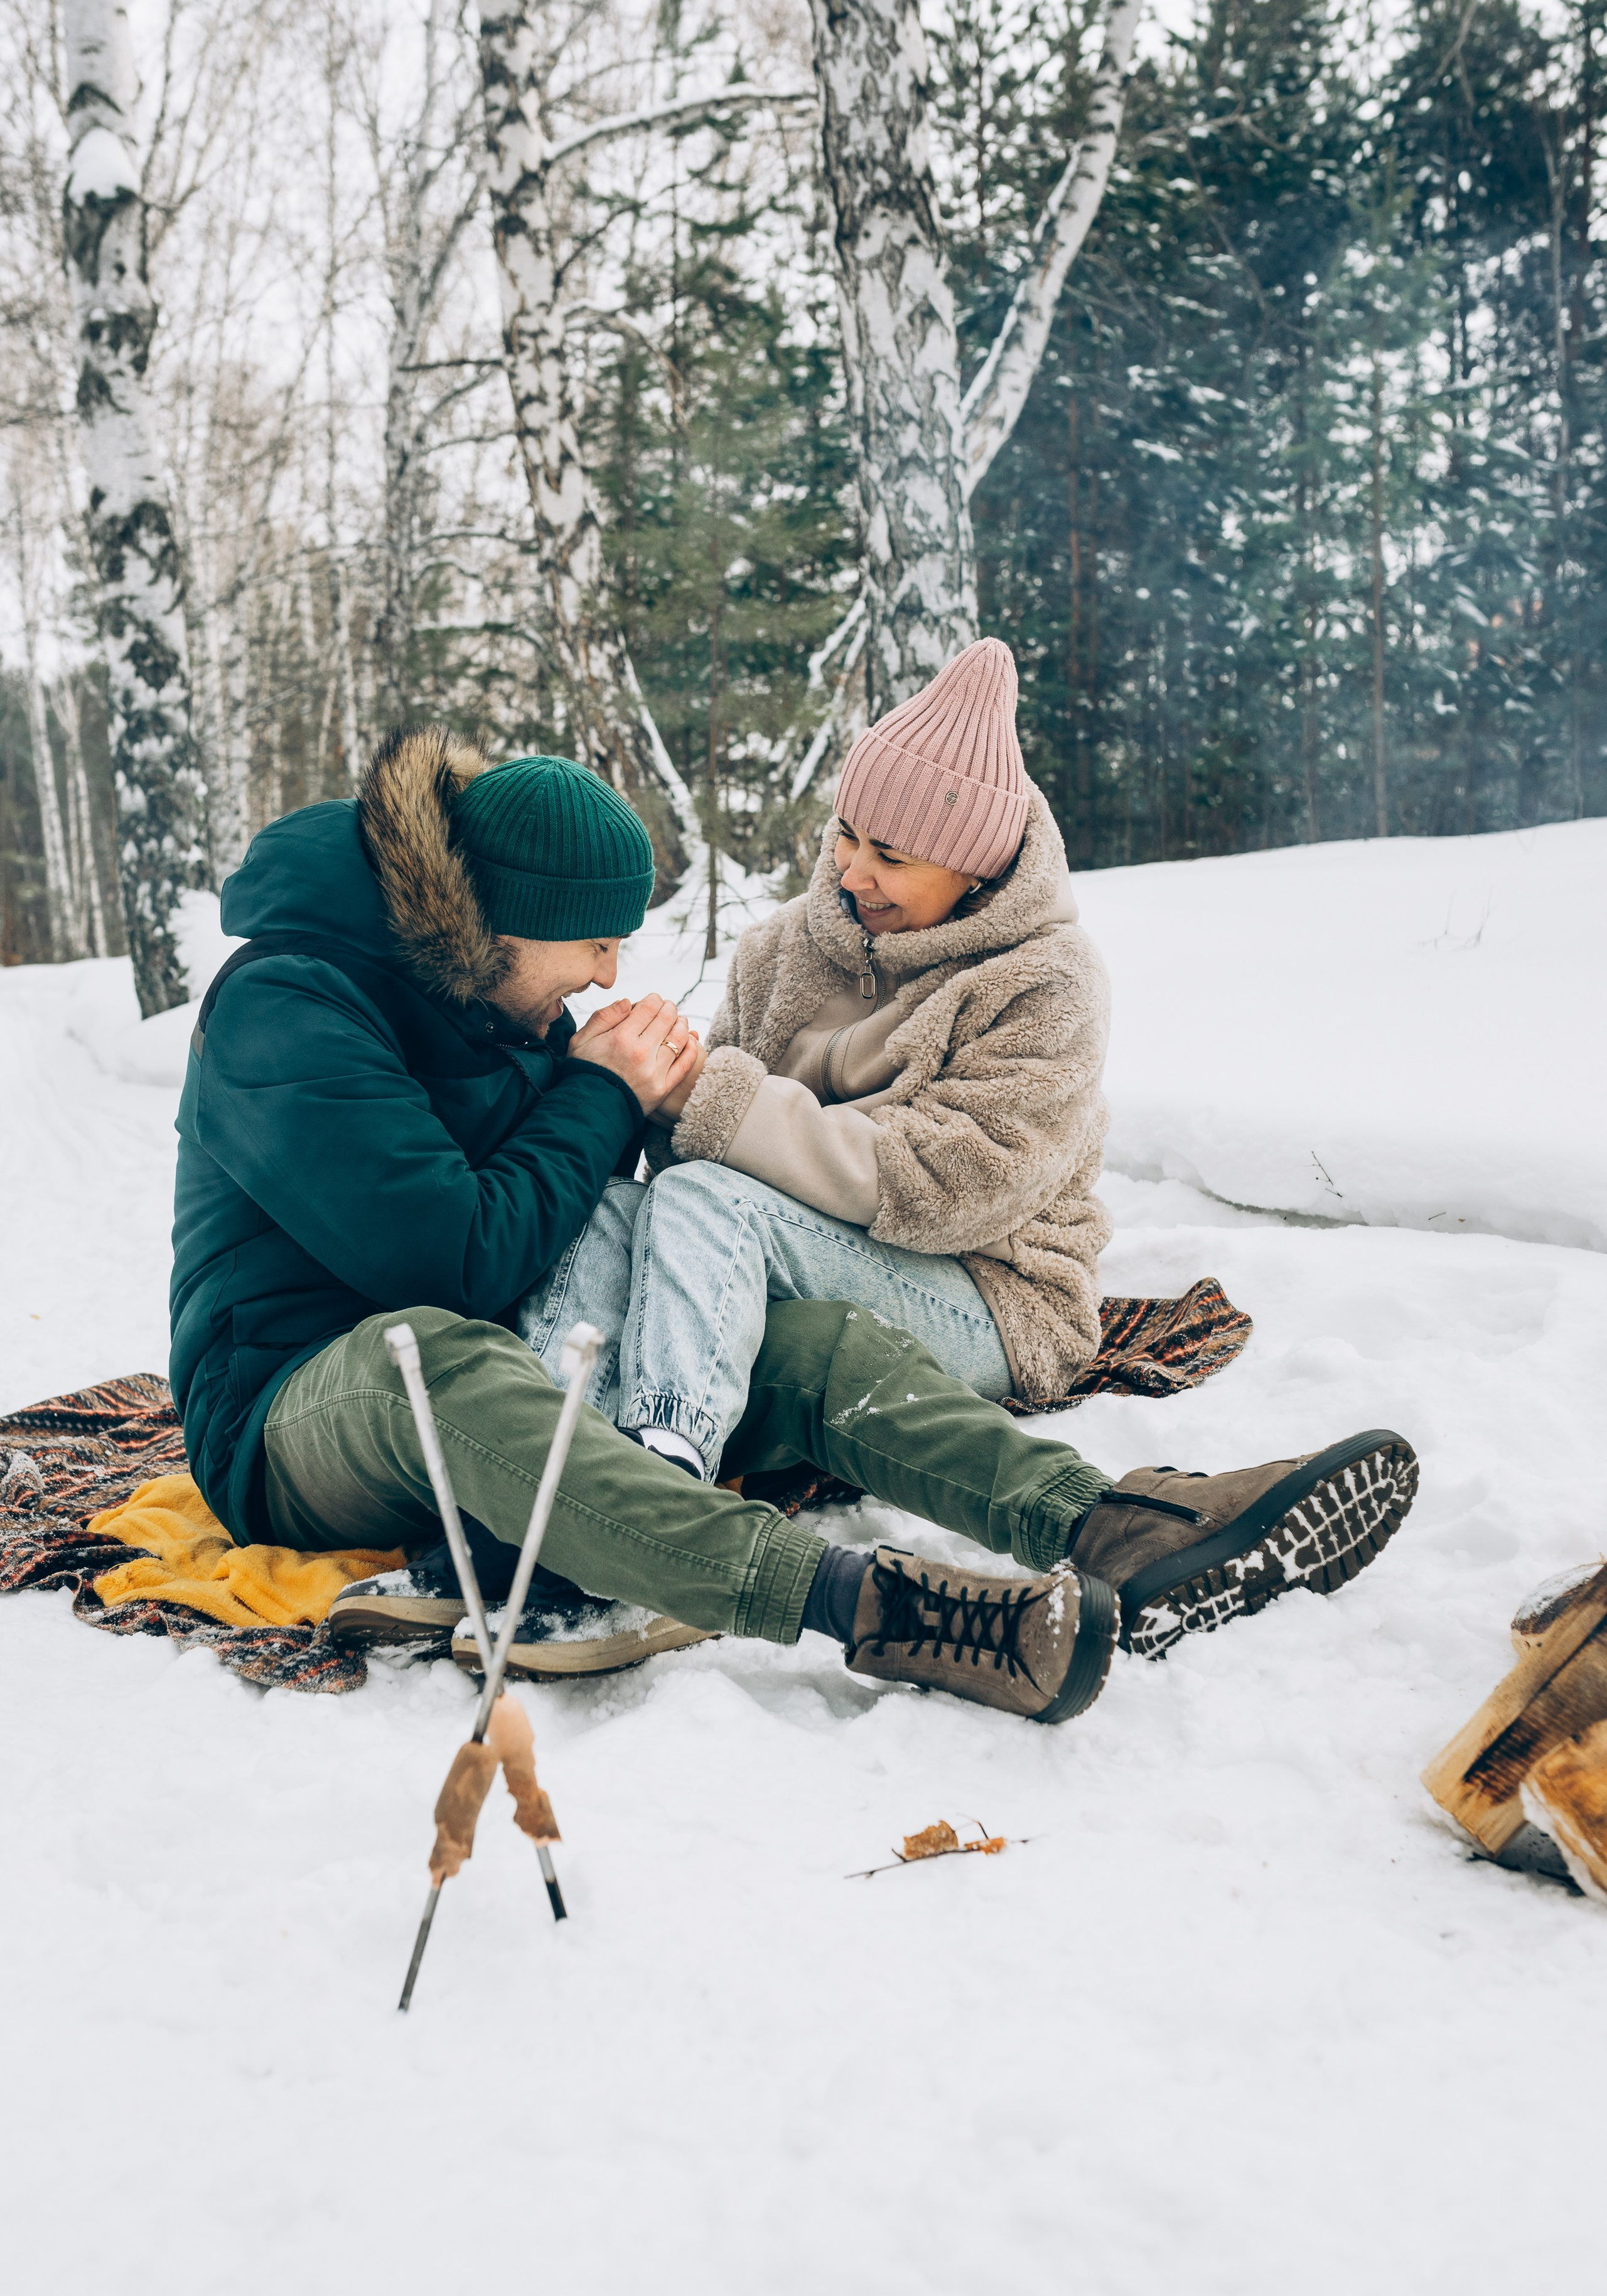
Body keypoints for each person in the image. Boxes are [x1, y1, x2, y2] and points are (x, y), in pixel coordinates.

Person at [171, 723, 1417, 1716]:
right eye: (595, 943)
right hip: (299, 1410)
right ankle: (866, 1605)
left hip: (521, 1367)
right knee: (436, 1360)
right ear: (505, 922)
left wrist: (612, 1096)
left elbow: (568, 1207)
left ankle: (1106, 1520)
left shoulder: (497, 1002)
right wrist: (600, 1092)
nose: (610, 973)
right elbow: (439, 1257)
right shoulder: (288, 1005)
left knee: (806, 1340)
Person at [523, 637, 1111, 1479]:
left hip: (992, 1291)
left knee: (706, 1201)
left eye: (893, 858)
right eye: (849, 837)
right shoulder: (784, 951)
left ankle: (661, 1472)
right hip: (792, 1244)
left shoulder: (1045, 981)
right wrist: (649, 1081)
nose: (853, 874)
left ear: (976, 873)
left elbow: (952, 1185)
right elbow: (694, 1147)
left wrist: (714, 1099)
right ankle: (539, 1461)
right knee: (614, 1210)